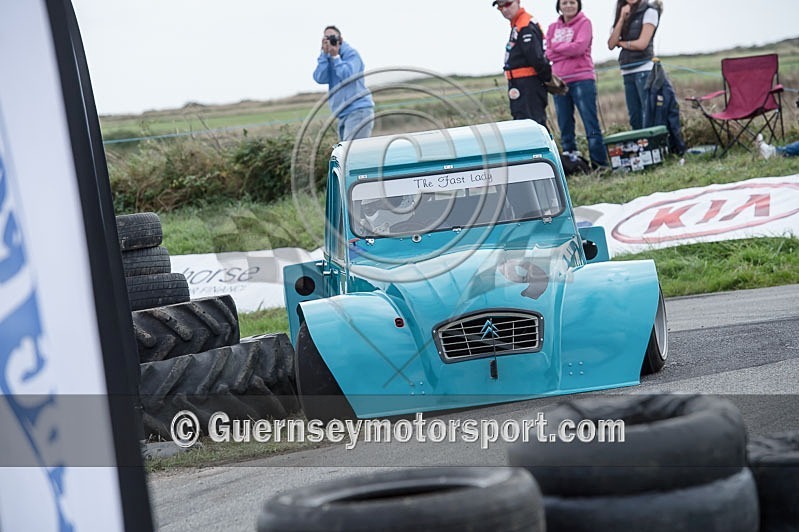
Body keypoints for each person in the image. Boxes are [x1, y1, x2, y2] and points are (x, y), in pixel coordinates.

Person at [546, 0, 608, 168]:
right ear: (559, 6)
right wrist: (566, 49)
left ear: (578, 4)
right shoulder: (552, 27)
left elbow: (579, 48)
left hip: (582, 79)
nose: (568, 6)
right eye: (564, 2)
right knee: (565, 124)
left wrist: (556, 47)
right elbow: (548, 53)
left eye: (572, 2)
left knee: (590, 122)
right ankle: (572, 163)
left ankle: (599, 164)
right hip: (559, 82)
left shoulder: (584, 23)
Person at [494, 0, 553, 129]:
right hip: (519, 83)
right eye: (500, 7)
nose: (505, 9)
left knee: (532, 125)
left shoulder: (525, 25)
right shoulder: (517, 25)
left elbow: (536, 58)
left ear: (518, 2)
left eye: (508, 4)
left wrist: (547, 79)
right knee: (523, 124)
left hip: (528, 84)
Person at [607, 0, 663, 130]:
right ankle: (639, 141)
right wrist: (621, 18)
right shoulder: (623, 11)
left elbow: (642, 44)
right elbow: (611, 44)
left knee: (648, 112)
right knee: (634, 116)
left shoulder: (650, 11)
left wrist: (621, 43)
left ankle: (653, 141)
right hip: (627, 71)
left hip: (644, 69)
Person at [313, 25, 375, 141]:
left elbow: (348, 76)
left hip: (358, 110)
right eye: (326, 38)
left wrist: (336, 57)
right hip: (343, 114)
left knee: (351, 150)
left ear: (340, 39)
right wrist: (324, 55)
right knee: (345, 151)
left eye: (332, 37)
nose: (330, 41)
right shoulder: (328, 58)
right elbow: (320, 78)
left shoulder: (352, 55)